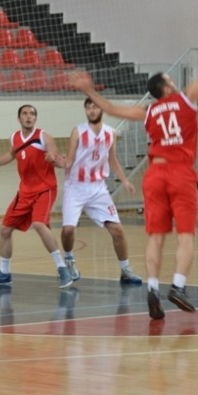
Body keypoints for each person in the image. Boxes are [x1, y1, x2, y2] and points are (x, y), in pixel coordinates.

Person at [71, 15, 198, 320]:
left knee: (155, 237)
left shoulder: (148, 110)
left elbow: (112, 109)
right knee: (186, 237)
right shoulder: (185, 99)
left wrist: (89, 91)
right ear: (167, 85)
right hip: (180, 171)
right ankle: (178, 286)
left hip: (154, 174)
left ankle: (153, 288)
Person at [0, 104, 72, 289]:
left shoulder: (44, 136)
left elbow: (57, 157)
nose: (29, 117)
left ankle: (62, 269)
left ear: (35, 118)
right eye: (25, 114)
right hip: (25, 191)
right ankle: (4, 273)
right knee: (5, 229)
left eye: (32, 114)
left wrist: (55, 159)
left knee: (38, 224)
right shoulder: (15, 137)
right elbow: (11, 154)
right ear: (19, 118)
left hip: (45, 189)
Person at [60, 97, 142, 286]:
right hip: (76, 187)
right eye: (88, 107)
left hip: (98, 189)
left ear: (101, 109)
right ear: (85, 111)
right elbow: (70, 159)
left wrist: (125, 180)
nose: (91, 110)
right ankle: (70, 260)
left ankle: (125, 269)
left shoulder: (110, 133)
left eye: (94, 107)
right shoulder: (78, 131)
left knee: (118, 231)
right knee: (68, 229)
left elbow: (112, 160)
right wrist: (61, 162)